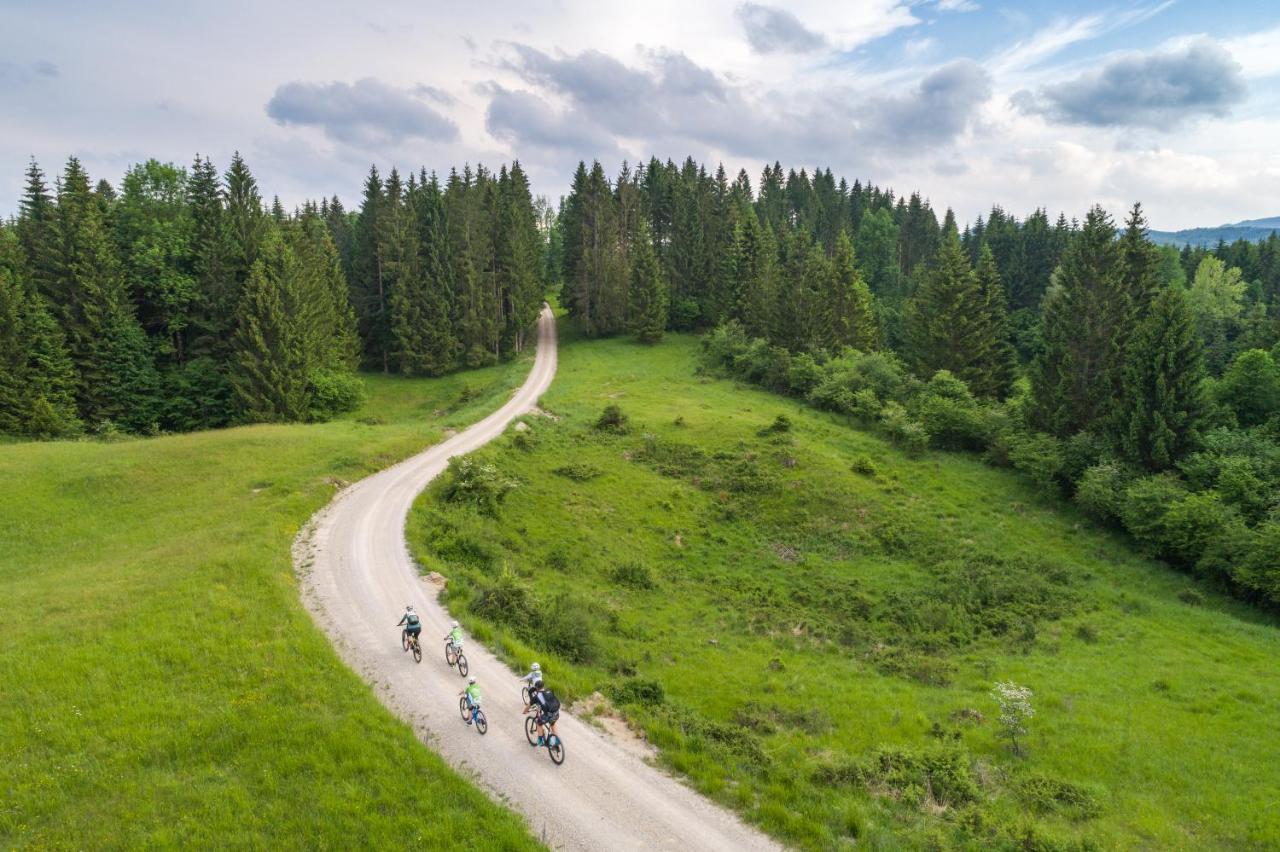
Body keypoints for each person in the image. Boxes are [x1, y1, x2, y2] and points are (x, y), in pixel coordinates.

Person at [524, 682, 561, 746]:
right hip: (556, 712)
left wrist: (524, 711)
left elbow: (529, 705)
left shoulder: (537, 696)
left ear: (536, 688)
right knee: (553, 723)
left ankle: (540, 741)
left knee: (539, 722)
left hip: (549, 715)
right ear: (543, 686)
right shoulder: (549, 691)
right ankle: (556, 740)